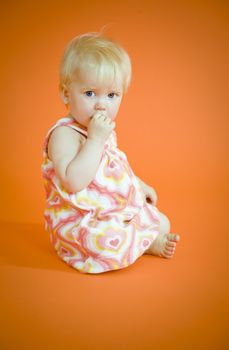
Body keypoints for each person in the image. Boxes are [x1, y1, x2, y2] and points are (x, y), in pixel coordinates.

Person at [41, 32, 180, 274]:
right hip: (80, 220)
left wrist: (139, 184)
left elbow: (111, 167)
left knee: (163, 222)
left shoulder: (100, 130)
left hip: (109, 209)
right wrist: (95, 139)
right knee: (104, 244)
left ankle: (142, 242)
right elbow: (74, 181)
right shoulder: (64, 135)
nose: (101, 104)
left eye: (112, 95)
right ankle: (141, 244)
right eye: (90, 93)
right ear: (66, 94)